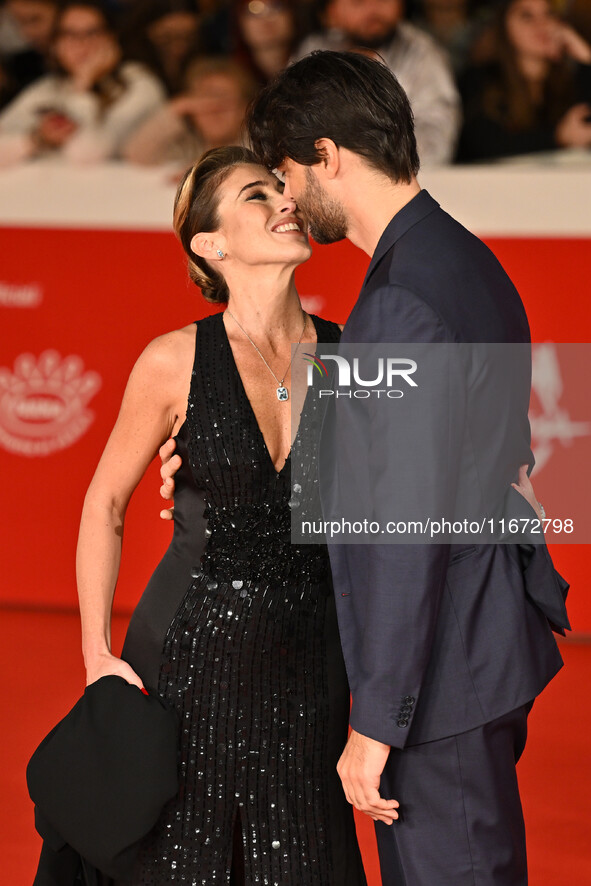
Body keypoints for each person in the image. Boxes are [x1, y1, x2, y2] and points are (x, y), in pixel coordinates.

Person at [242, 49, 569, 885]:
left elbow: (399, 525)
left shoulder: (398, 302)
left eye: (284, 173)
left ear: (327, 156)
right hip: (481, 633)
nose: (284, 198)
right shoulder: (460, 258)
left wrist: (376, 723)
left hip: (442, 673)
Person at [73, 144, 367, 884]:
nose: (283, 204)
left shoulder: (349, 354)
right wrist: (94, 655)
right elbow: (104, 502)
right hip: (188, 661)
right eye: (255, 197)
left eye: (280, 190)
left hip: (311, 670)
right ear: (210, 244)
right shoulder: (172, 360)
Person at [291, 0, 461, 165]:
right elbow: (292, 122)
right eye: (358, 2)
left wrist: (372, 166)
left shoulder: (421, 52)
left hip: (401, 178)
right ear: (332, 11)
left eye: (384, 0)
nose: (373, 10)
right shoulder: (313, 50)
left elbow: (437, 138)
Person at [0, 0, 165, 166]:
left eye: (93, 33)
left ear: (112, 38)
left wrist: (83, 83)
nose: (82, 44)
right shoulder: (50, 86)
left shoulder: (138, 82)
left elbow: (85, 156)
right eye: (70, 34)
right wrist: (37, 139)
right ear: (55, 44)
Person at [457, 0, 591, 162]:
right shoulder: (478, 79)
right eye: (527, 16)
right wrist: (556, 137)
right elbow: (484, 147)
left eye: (549, 14)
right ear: (504, 25)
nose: (541, 24)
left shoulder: (569, 79)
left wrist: (584, 57)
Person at [123, 56, 256, 168]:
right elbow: (136, 155)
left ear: (244, 109)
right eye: (205, 99)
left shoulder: (257, 146)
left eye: (224, 99)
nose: (215, 108)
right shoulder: (186, 145)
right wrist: (176, 108)